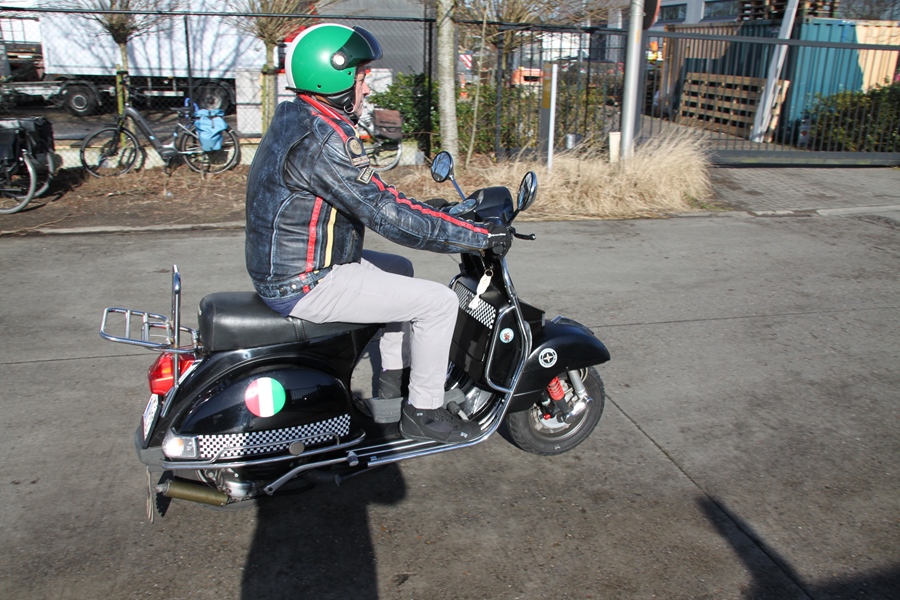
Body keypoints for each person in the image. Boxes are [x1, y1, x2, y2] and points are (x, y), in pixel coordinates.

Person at [244, 23, 511, 444]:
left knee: (400, 269)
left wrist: (433, 212)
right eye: (361, 77)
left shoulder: (299, 116)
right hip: (306, 279)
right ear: (333, 78)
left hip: (293, 265)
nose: (367, 88)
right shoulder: (323, 138)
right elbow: (386, 215)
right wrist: (477, 236)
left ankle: (392, 384)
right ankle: (424, 410)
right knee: (439, 303)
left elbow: (373, 194)